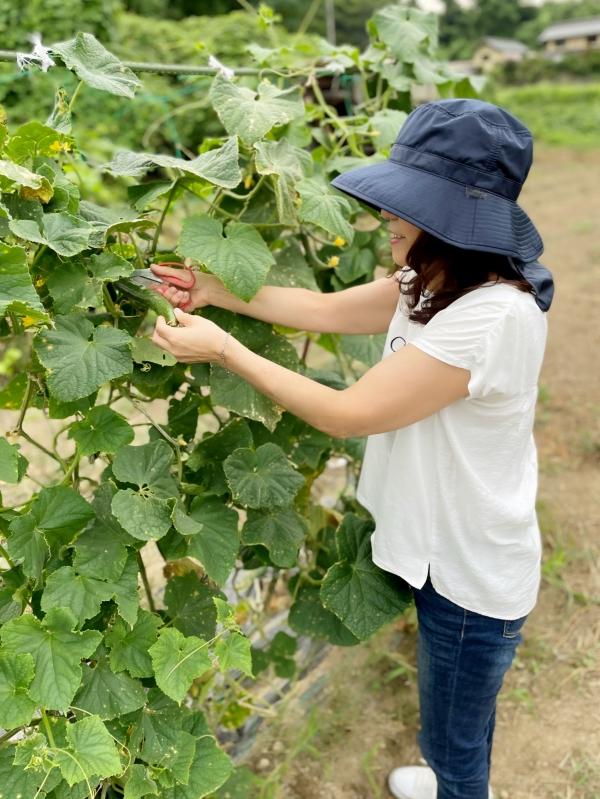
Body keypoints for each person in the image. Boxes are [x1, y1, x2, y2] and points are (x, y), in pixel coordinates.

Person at [150, 99, 553, 799]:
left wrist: (221, 347)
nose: (388, 219)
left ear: (453, 223)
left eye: (407, 209)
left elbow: (348, 413)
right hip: (449, 548)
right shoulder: (435, 279)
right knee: (459, 722)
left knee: (452, 745)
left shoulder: (493, 314)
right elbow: (328, 311)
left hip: (470, 575)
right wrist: (220, 291)